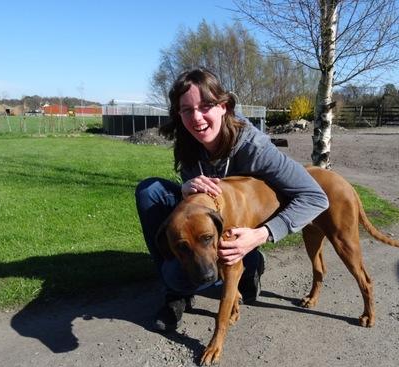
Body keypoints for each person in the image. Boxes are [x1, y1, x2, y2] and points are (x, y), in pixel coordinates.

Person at [136, 68, 329, 331]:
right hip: (211, 227)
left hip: (242, 233)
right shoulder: (189, 141)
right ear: (178, 114)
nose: (196, 117)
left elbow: (315, 197)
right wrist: (185, 188)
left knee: (192, 276)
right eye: (187, 110)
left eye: (205, 106)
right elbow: (195, 211)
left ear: (223, 107)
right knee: (150, 190)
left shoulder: (255, 148)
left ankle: (250, 265)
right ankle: (175, 295)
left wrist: (262, 234)